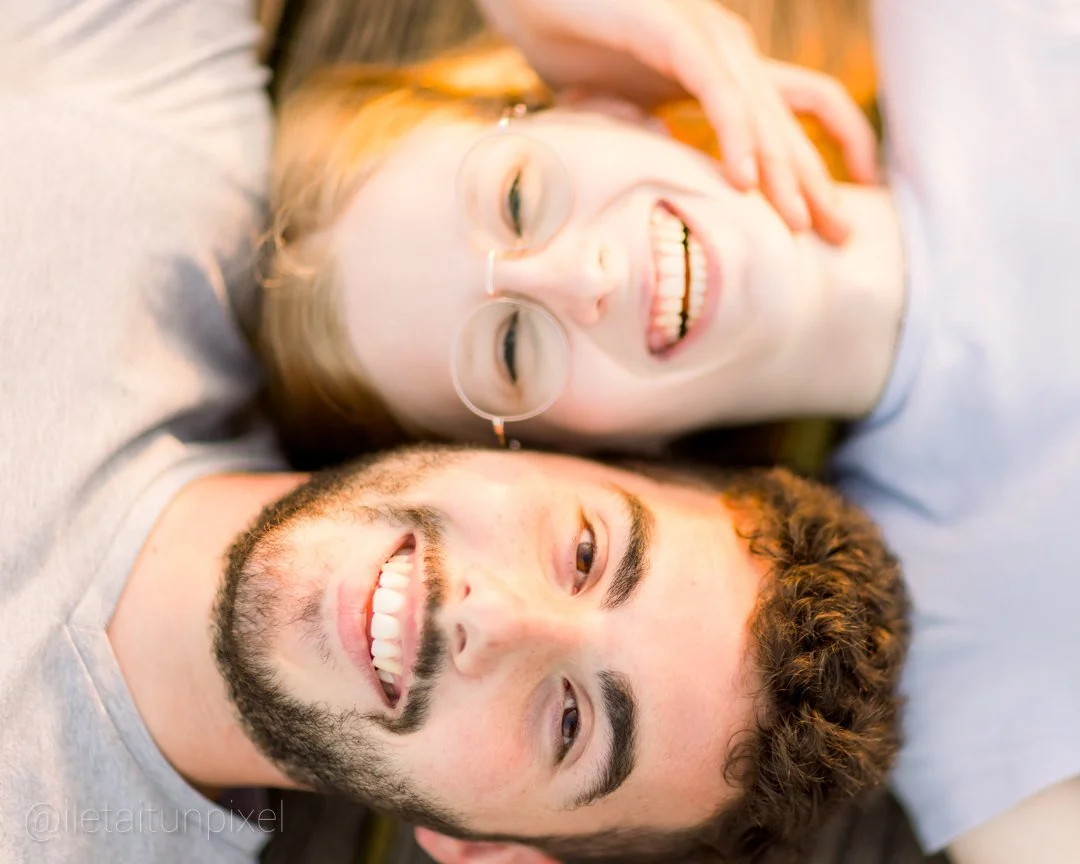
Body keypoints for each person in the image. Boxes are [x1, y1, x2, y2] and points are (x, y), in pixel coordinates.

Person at [0, 3, 908, 863]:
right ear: (543, 450)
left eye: (569, 725)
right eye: (584, 552)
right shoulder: (159, 159)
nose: (491, 615)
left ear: (493, 852)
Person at [258, 1, 1080, 862]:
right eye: (510, 347)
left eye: (517, 196)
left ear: (591, 106)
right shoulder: (955, 631)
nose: (581, 277)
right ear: (573, 463)